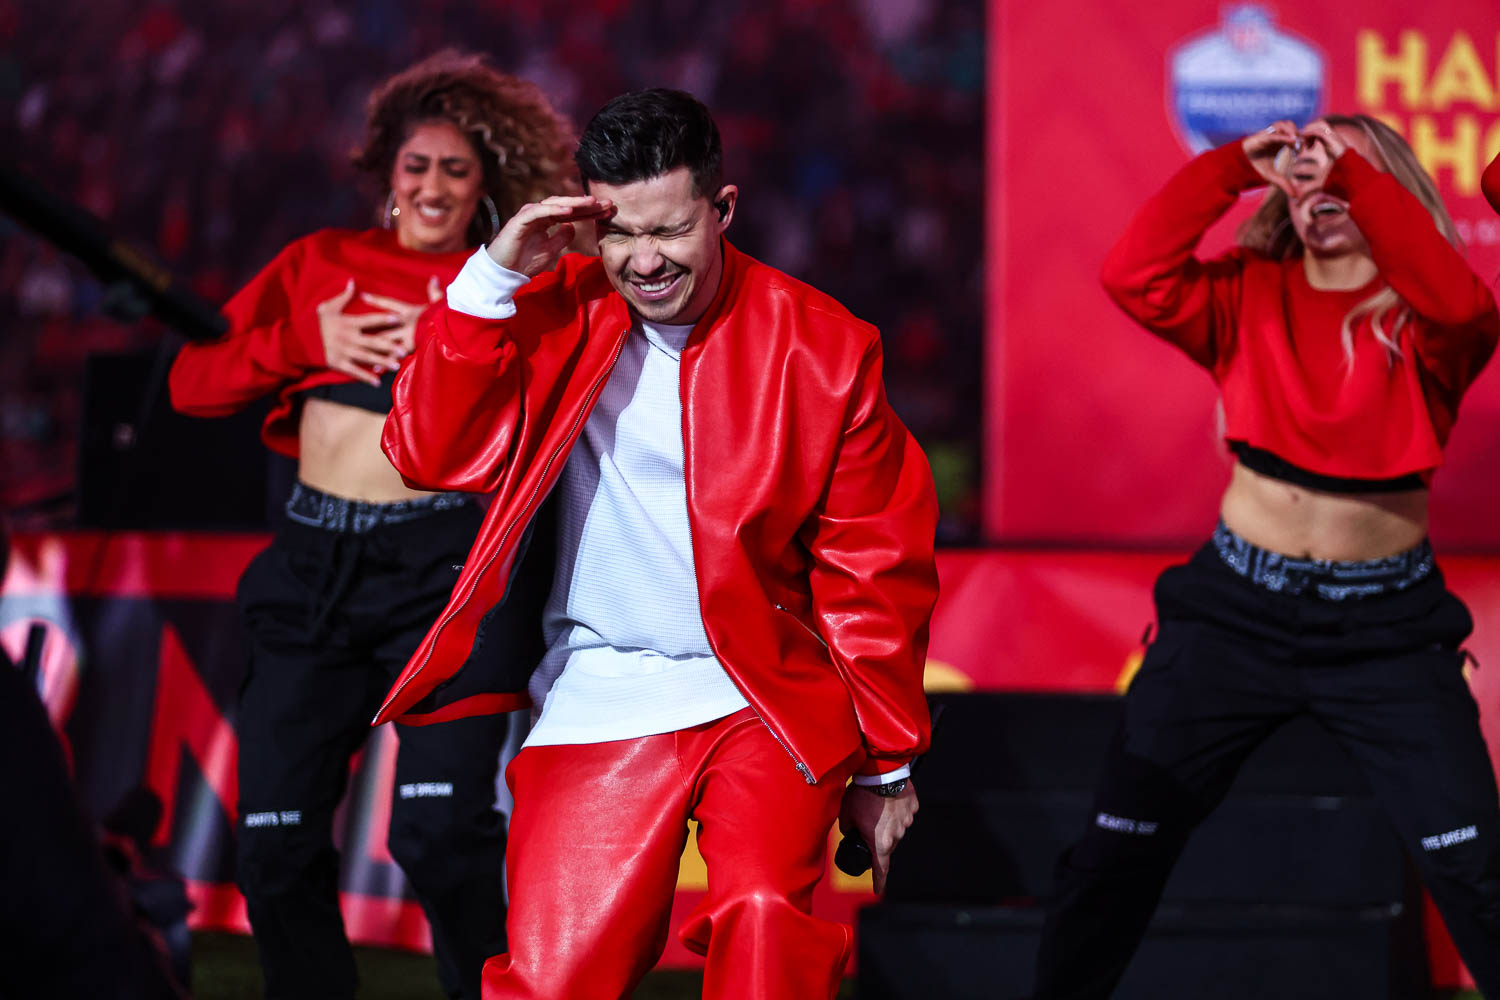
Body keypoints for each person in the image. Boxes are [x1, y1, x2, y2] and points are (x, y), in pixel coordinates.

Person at [368, 88, 939, 1000]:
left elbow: (871, 566)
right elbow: (426, 453)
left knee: (765, 927)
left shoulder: (826, 348)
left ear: (724, 209)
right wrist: (489, 279)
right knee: (551, 982)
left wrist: (888, 761)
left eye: (669, 231)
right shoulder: (552, 311)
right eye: (618, 233)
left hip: (762, 694)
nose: (642, 261)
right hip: (596, 688)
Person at [1031, 116, 1500, 998]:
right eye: (1304, 179)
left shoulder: (1432, 323)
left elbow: (1465, 305)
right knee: (1112, 858)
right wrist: (1227, 169)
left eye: (1343, 180)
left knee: (1477, 873)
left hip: (1389, 632)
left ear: (1380, 186)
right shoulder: (1244, 291)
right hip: (1234, 617)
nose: (1317, 191)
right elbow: (1129, 273)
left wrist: (1355, 177)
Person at [167, 51, 578, 1000]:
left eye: (456, 170)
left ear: (487, 188)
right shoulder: (318, 264)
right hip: (311, 572)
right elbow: (191, 385)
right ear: (387, 176)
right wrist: (304, 343)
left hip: (443, 575)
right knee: (271, 848)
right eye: (416, 166)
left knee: (440, 838)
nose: (432, 185)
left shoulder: (512, 285)